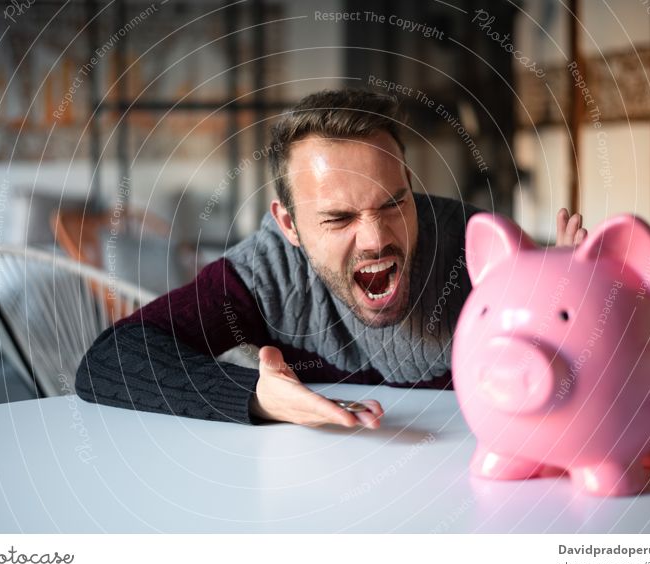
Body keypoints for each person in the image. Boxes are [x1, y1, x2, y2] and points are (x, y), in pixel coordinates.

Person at [75, 88, 586, 429]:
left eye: (393, 203)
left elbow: (577, 388)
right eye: (339, 218)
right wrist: (256, 397)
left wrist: (569, 308)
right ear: (289, 225)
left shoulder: (479, 249)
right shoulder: (265, 272)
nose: (376, 238)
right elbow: (109, 362)